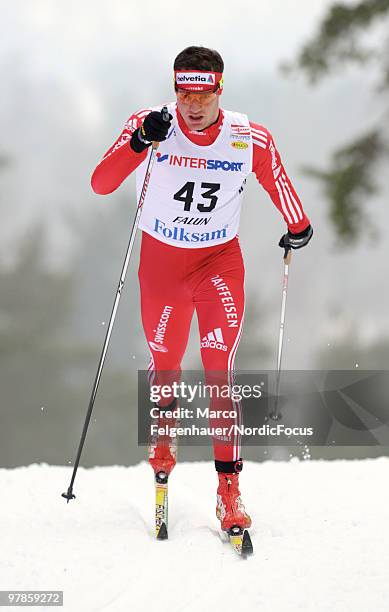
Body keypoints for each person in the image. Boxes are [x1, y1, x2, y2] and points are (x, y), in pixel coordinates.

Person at [91, 46, 313, 533]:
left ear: (220, 89)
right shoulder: (150, 124)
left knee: (220, 373)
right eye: (183, 93)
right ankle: (163, 442)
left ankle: (228, 491)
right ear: (175, 89)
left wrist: (297, 224)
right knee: (166, 364)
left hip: (218, 264)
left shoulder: (245, 135)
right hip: (163, 265)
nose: (192, 105)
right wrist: (138, 144)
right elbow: (101, 183)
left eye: (203, 94)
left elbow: (276, 177)